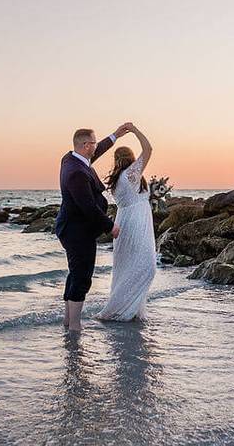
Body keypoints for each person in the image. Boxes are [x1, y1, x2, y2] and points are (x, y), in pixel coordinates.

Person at [54, 123, 132, 332]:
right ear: (87, 145)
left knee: (75, 272)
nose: (96, 147)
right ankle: (75, 326)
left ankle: (68, 320)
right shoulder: (76, 173)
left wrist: (115, 136)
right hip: (77, 231)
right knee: (82, 275)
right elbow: (87, 206)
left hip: (73, 227)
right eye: (95, 143)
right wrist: (110, 227)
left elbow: (96, 154)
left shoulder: (71, 159)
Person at [97, 123, 156, 321]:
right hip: (136, 223)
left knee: (126, 268)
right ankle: (120, 310)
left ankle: (129, 309)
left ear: (116, 160)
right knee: (146, 266)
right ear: (131, 159)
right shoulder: (131, 174)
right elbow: (148, 149)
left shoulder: (117, 179)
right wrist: (135, 130)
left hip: (124, 221)